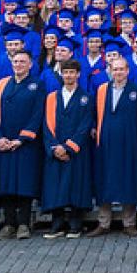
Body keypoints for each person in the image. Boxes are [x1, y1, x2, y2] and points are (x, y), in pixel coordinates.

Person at [0, 49, 45, 239]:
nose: (18, 65)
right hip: (4, 143)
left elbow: (37, 115)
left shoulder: (37, 85)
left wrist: (22, 139)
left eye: (22, 61)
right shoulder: (2, 84)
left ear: (30, 64)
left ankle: (23, 224)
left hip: (25, 144)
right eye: (15, 61)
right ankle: (8, 223)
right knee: (6, 184)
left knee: (24, 184)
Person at [89, 57, 137, 237]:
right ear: (110, 71)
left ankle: (129, 223)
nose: (118, 72)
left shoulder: (136, 92)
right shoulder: (101, 90)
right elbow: (94, 114)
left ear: (127, 71)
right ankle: (103, 223)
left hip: (128, 144)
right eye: (115, 69)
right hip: (105, 144)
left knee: (128, 179)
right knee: (104, 180)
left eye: (121, 69)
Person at [42, 60, 94, 238]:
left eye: (72, 72)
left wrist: (68, 148)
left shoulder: (86, 98)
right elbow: (46, 125)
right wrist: (55, 147)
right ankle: (57, 224)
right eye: (66, 72)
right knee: (55, 186)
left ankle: (75, 224)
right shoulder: (51, 98)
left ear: (78, 74)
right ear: (61, 74)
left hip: (76, 151)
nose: (69, 75)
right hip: (55, 150)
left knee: (75, 185)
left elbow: (85, 125)